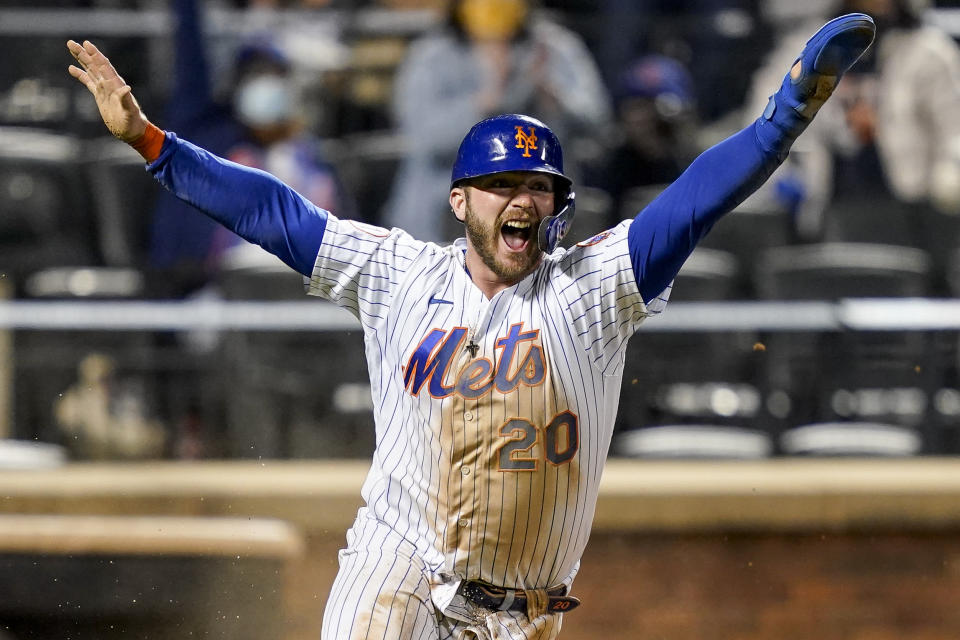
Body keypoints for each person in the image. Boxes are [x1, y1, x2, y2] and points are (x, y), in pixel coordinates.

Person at [66, 12, 875, 639]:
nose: (520, 198)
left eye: (538, 185)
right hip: (400, 569)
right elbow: (274, 211)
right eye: (498, 183)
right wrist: (149, 140)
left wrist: (784, 117)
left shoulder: (593, 289)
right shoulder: (396, 273)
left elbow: (693, 203)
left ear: (558, 206)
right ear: (460, 201)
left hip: (525, 610)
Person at [380, 0, 611, 243]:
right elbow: (423, 139)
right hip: (442, 215)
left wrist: (555, 98)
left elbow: (599, 123)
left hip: (541, 215)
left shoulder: (553, 48)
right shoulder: (432, 55)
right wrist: (486, 100)